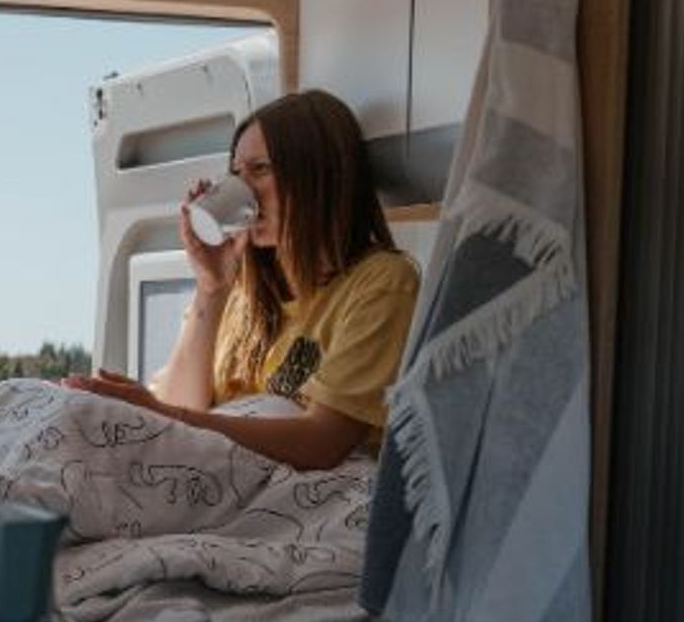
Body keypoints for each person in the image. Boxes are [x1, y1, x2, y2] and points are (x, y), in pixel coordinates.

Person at [63, 85, 419, 473]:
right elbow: (183, 406)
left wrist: (161, 415)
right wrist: (211, 289)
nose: (243, 189)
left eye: (260, 170)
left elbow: (322, 442)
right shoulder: (243, 294)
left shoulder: (382, 282)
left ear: (319, 177)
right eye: (236, 174)